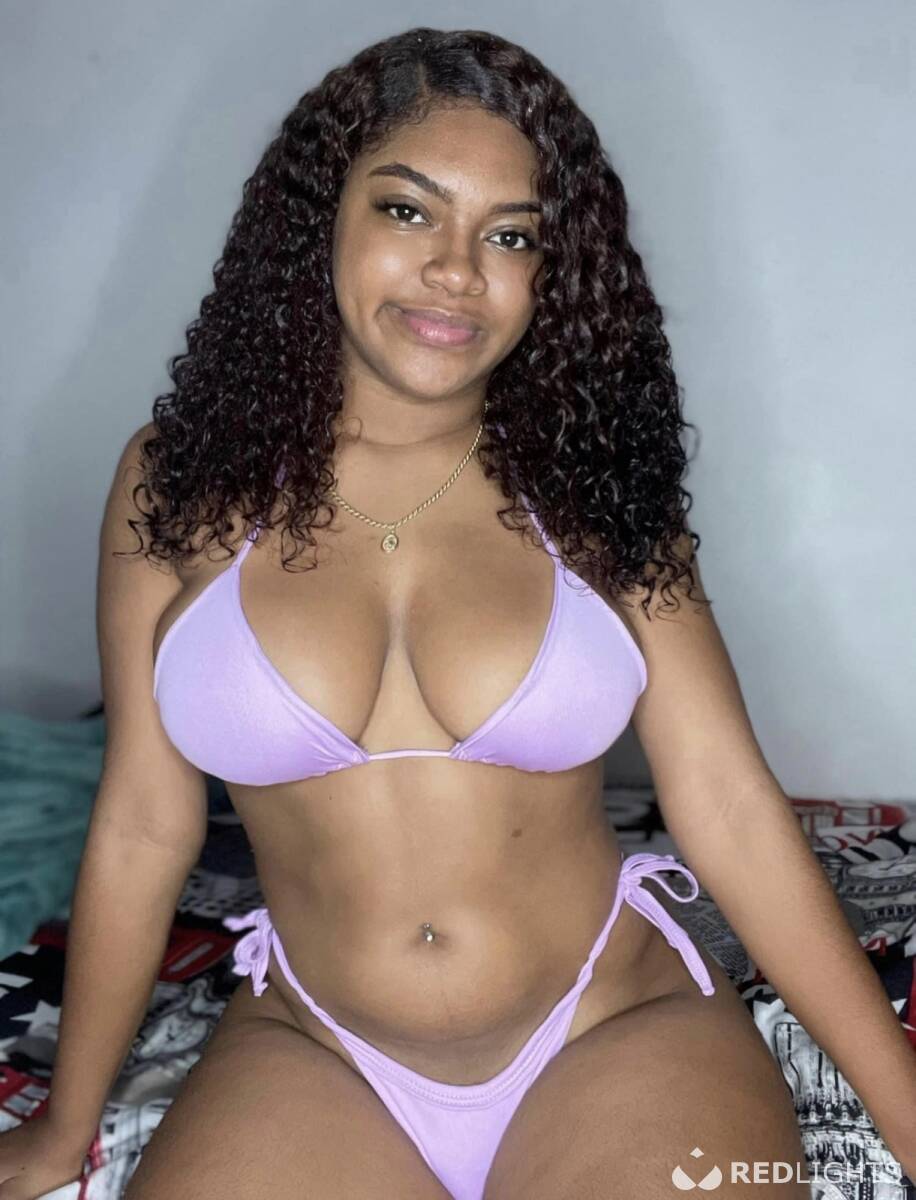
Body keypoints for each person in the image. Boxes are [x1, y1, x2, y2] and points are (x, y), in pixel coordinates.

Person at [2, 26, 913, 1200]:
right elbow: (141, 819)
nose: (456, 270)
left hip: (607, 1026)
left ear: (552, 273)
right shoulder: (182, 477)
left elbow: (729, 808)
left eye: (511, 235)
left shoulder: (590, 483)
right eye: (406, 211)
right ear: (317, 224)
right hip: (317, 1047)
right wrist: (64, 1125)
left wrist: (906, 1114)